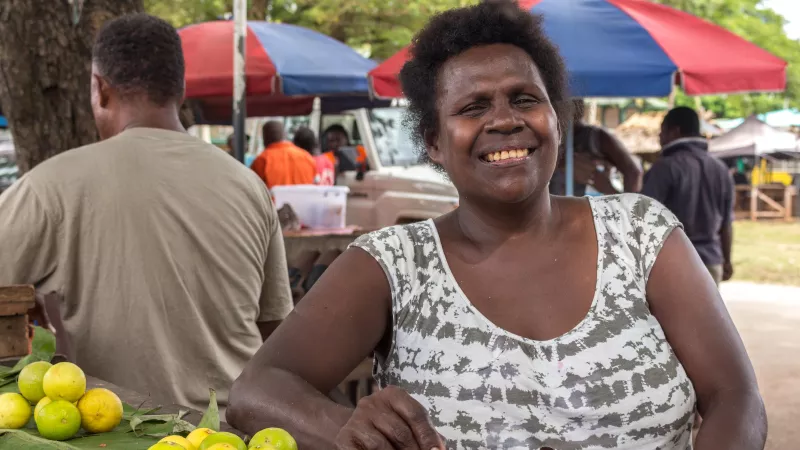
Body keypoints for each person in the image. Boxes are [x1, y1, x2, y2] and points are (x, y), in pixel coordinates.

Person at [227, 4, 765, 449]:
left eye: (525, 99)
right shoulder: (393, 264)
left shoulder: (642, 235)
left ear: (558, 118)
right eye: (473, 106)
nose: (504, 119)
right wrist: (346, 428)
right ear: (435, 142)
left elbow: (734, 396)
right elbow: (256, 391)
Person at [0, 14, 293, 413]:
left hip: (117, 432)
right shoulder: (249, 187)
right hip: (230, 434)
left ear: (100, 89)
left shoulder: (49, 186)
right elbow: (275, 328)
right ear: (181, 90)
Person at [642, 107, 736, 286]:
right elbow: (727, 224)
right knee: (706, 314)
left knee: (671, 315)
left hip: (673, 263)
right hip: (711, 261)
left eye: (662, 131)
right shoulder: (721, 169)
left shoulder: (664, 167)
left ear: (675, 131)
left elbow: (643, 217)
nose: (659, 138)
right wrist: (727, 260)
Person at [550, 99, 643, 196]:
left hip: (589, 206)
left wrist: (607, 188)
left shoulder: (595, 137)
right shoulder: (552, 138)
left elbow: (634, 172)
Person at [250, 121, 316, 189]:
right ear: (284, 135)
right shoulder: (307, 157)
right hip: (303, 199)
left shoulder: (262, 160)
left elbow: (253, 191)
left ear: (264, 137)